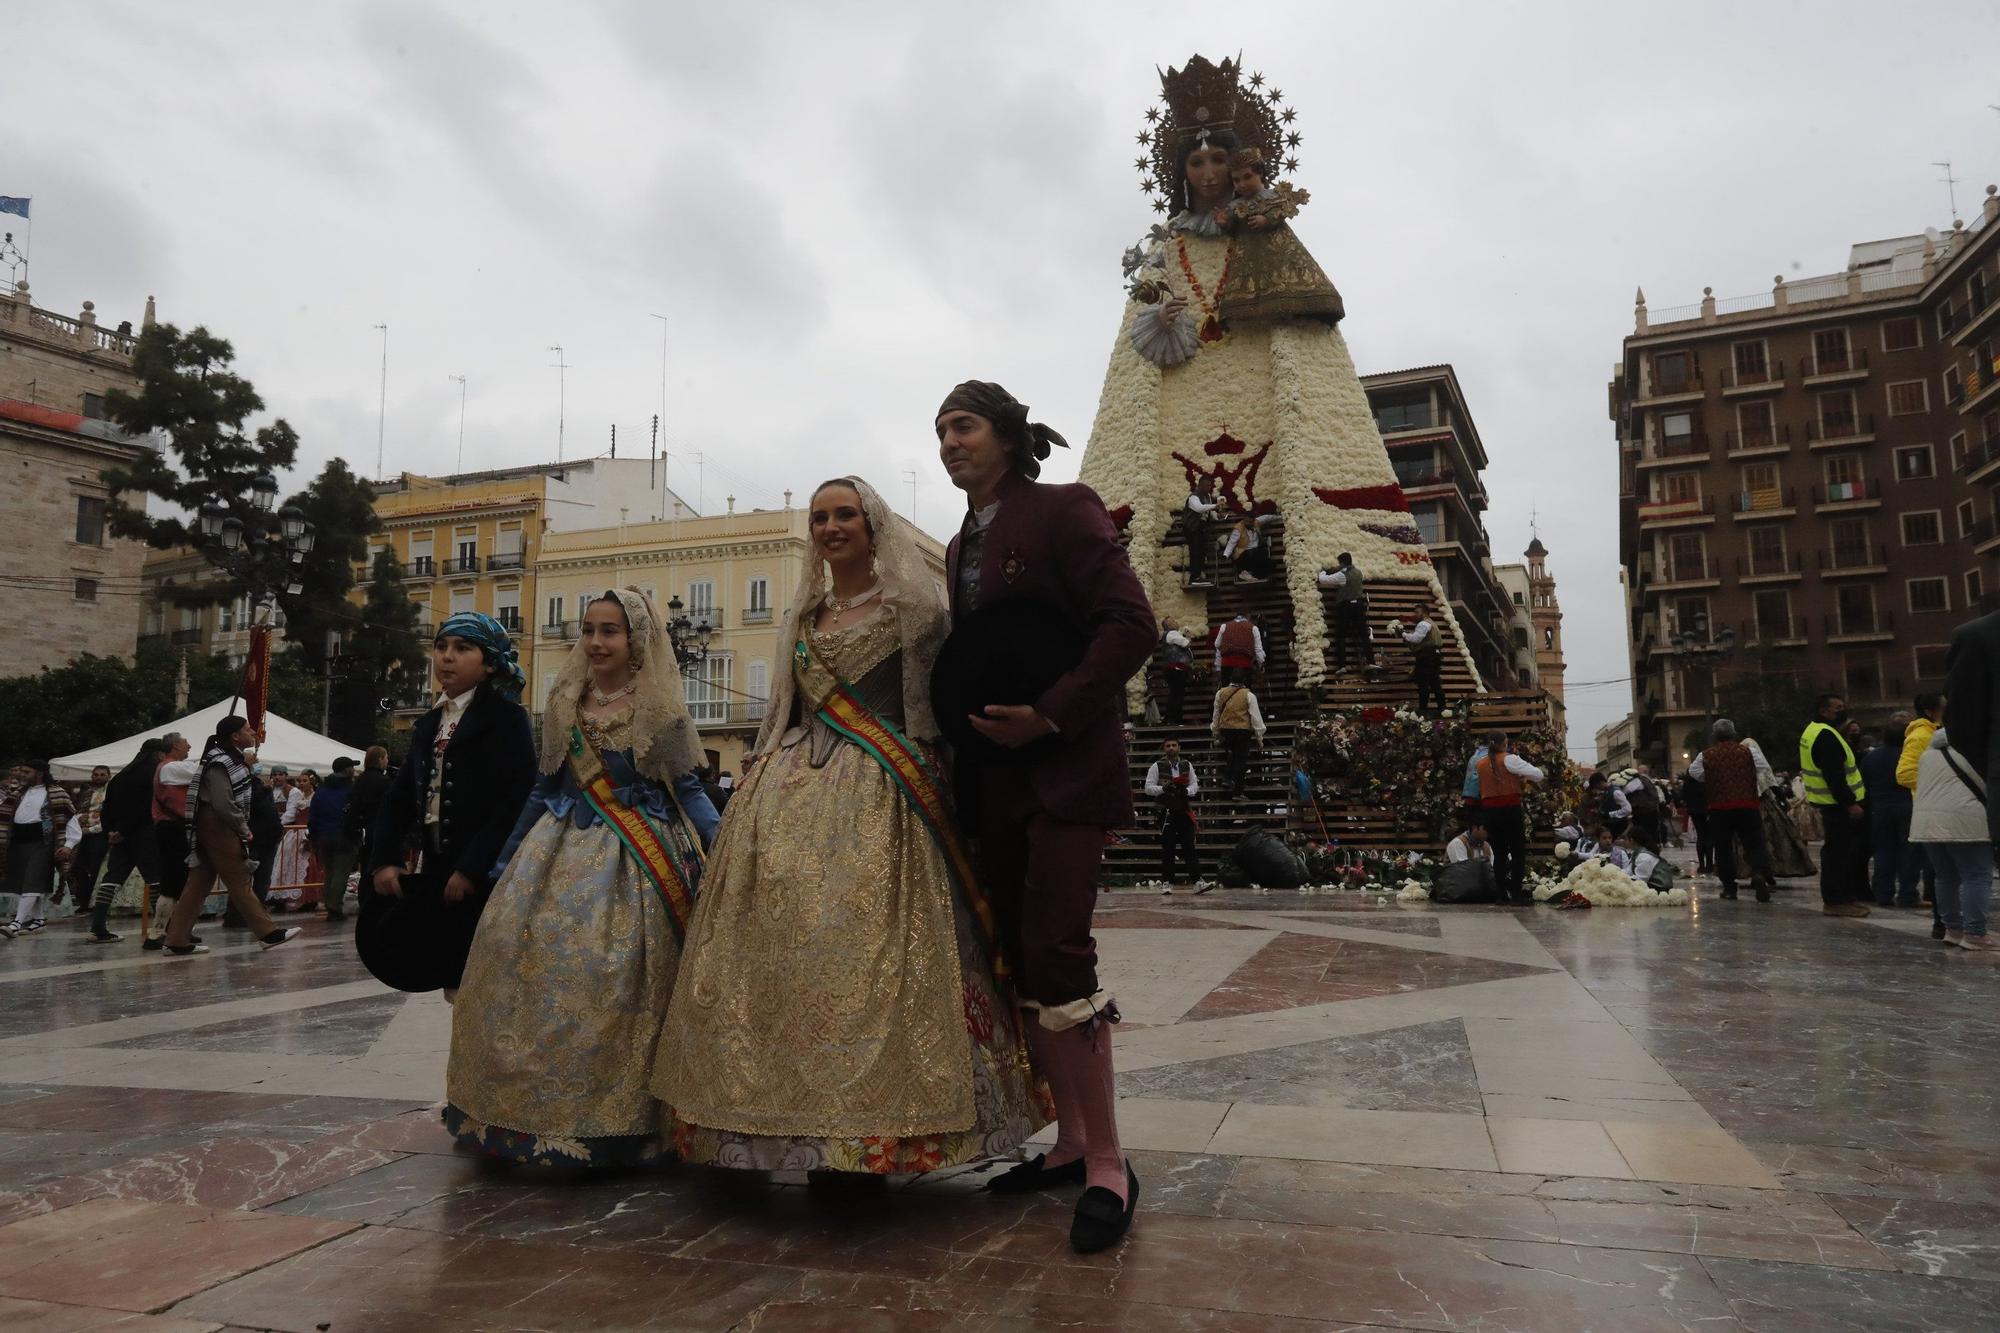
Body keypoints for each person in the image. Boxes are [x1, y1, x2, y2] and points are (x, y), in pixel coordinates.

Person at [656, 477, 1047, 1188]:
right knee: (779, 962)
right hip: (787, 800)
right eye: (820, 517)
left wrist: (945, 789)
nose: (831, 526)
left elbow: (934, 710)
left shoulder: (916, 611)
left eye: (845, 515)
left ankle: (864, 1143)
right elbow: (785, 713)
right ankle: (759, 1123)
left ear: (873, 526)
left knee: (869, 960)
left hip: (885, 796)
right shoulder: (803, 615)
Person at [932, 381, 1155, 1253]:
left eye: (964, 425)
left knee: (1062, 953)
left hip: (1066, 771)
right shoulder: (957, 547)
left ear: (1009, 435)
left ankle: (1108, 1161)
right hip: (995, 781)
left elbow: (1130, 623)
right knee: (1024, 961)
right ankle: (1065, 1142)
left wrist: (1053, 712)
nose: (949, 441)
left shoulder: (1065, 508)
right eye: (940, 429)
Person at [451, 588, 719, 1165]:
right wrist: (504, 863)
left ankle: (626, 1118)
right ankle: (531, 1111)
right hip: (558, 846)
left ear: (636, 640)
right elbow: (546, 787)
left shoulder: (660, 709)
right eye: (590, 630)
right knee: (528, 965)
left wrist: (724, 849)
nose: (596, 642)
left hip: (640, 858)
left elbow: (688, 790)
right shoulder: (564, 701)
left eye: (610, 631)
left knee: (618, 975)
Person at [363, 614, 537, 992]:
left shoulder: (508, 720)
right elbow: (401, 797)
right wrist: (385, 858)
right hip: (440, 871)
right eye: (441, 647)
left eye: (462, 648)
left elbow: (515, 800)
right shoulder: (429, 724)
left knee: (487, 980)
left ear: (489, 662)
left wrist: (473, 868)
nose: (446, 657)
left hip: (490, 875)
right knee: (452, 979)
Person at [160, 718, 301, 955]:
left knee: (198, 884)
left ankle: (176, 939)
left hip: (213, 823)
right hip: (218, 824)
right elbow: (222, 802)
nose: (253, 732)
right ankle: (267, 932)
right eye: (247, 729)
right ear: (235, 736)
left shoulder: (227, 759)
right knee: (239, 878)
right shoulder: (221, 762)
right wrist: (241, 826)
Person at [1910, 726, 1993, 951]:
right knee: (1976, 875)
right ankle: (1975, 933)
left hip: (1927, 822)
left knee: (1945, 876)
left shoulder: (1929, 753)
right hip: (1965, 820)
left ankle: (1953, 930)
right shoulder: (1979, 751)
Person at [86, 739, 170, 945]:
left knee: (112, 878)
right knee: (155, 879)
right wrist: (124, 830)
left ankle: (98, 927)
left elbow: (107, 808)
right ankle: (161, 930)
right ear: (158, 754)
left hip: (119, 836)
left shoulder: (120, 777)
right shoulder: (154, 774)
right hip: (144, 833)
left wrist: (112, 831)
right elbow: (143, 807)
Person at [1688, 720, 1776, 902]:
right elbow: (1763, 768)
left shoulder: (1706, 755)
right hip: (1747, 804)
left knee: (1723, 847)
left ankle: (1729, 887)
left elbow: (1694, 772)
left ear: (1714, 735)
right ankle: (1759, 873)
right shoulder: (1748, 751)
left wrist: (1712, 777)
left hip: (1719, 808)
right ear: (1734, 734)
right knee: (1755, 843)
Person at [1801, 692, 1872, 917]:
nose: (1843, 710)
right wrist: (1850, 803)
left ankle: (1842, 897)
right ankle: (1835, 900)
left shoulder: (1815, 731)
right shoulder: (1825, 735)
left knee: (1839, 852)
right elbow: (1834, 775)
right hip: (1837, 805)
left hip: (1830, 803)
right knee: (1838, 854)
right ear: (1824, 711)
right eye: (1838, 707)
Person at [0, 761, 75, 937]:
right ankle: (38, 920)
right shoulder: (17, 793)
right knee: (23, 884)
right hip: (18, 843)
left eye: (27, 771)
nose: (22, 774)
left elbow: (71, 819)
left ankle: (16, 924)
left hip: (43, 843)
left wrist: (68, 845)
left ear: (39, 773)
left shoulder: (57, 793)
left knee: (32, 881)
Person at [1472, 730, 1544, 905]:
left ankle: (1501, 894)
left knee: (1500, 853)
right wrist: (1520, 775)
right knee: (1518, 852)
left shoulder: (1480, 763)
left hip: (1490, 812)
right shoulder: (1509, 759)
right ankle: (1516, 894)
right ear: (1504, 743)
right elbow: (1538, 774)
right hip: (1509, 809)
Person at [143, 733, 194, 951]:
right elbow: (201, 773)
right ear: (175, 746)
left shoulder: (171, 767)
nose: (189, 745)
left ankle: (175, 930)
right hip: (172, 827)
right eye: (185, 743)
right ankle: (157, 932)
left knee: (177, 881)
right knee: (172, 881)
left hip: (174, 827)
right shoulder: (169, 768)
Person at [1861, 721, 1921, 908]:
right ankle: (1908, 893)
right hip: (1908, 807)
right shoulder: (1909, 756)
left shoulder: (1871, 757)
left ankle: (1883, 892)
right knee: (1909, 853)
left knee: (1883, 851)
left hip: (1880, 809)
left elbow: (1865, 783)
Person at [1143, 738, 1202, 885]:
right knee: (1168, 847)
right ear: (1164, 749)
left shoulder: (1186, 765)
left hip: (1183, 809)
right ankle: (1167, 882)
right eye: (1168, 746)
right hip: (1166, 810)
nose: (1171, 748)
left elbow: (1195, 784)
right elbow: (1148, 788)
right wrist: (1163, 789)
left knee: (1189, 845)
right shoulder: (1157, 766)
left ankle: (1197, 880)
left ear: (1179, 748)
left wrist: (1187, 791)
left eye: (1174, 745)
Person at [309, 757, 359, 922]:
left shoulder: (321, 790)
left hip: (323, 836)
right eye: (352, 767)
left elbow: (313, 816)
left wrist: (314, 836)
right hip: (344, 836)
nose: (354, 770)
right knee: (340, 873)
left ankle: (329, 903)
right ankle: (334, 906)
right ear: (346, 770)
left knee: (329, 873)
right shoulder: (351, 790)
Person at [1211, 670, 1267, 796]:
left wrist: (1215, 731)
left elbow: (1216, 714)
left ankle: (1227, 779)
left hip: (1225, 729)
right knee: (1240, 759)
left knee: (1231, 755)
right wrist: (1259, 737)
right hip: (1242, 730)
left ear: (1230, 679)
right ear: (1244, 681)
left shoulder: (1220, 693)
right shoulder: (1249, 695)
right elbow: (1255, 717)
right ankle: (1237, 790)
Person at [67, 766, 112, 912]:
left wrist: (92, 829)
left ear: (108, 776)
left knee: (95, 868)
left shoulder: (111, 792)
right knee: (77, 867)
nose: (98, 777)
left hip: (100, 834)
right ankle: (84, 900)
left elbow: (108, 815)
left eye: (102, 775)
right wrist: (80, 821)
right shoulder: (86, 792)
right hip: (82, 835)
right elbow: (79, 810)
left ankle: (92, 904)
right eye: (96, 775)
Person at [344, 746, 392, 873]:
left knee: (365, 869)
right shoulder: (384, 781)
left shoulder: (360, 779)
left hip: (361, 830)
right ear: (380, 759)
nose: (388, 761)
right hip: (377, 830)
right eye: (386, 757)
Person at [1323, 552, 1372, 673]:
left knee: (1341, 636)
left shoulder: (1342, 575)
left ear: (1342, 562)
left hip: (1345, 607)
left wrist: (1323, 571)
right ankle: (1371, 662)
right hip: (1359, 606)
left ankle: (1342, 666)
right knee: (1363, 635)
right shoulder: (1359, 572)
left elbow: (1324, 580)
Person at [1403, 614, 1445, 714]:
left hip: (1426, 657)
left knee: (1423, 684)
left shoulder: (1423, 623)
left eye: (1417, 612)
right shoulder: (1433, 624)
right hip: (1435, 657)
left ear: (1424, 613)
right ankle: (1442, 707)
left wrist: (1404, 634)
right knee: (1435, 683)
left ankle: (1423, 709)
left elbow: (1416, 639)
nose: (1415, 614)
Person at [1182, 474, 1218, 586]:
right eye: (1206, 485)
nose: (1208, 488)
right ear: (1200, 485)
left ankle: (1197, 577)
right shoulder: (1194, 497)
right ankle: (1193, 578)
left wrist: (1219, 515)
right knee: (1195, 551)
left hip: (1202, 528)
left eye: (1210, 486)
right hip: (1192, 528)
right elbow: (1199, 508)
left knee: (1202, 552)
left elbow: (1210, 514)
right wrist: (1215, 506)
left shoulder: (1208, 497)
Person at [1158, 617, 1194, 725]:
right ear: (1168, 625)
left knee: (1175, 694)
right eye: (1173, 621)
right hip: (1176, 668)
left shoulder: (1170, 634)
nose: (1176, 621)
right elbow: (1186, 644)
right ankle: (1175, 719)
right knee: (1177, 694)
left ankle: (1171, 719)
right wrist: (1188, 636)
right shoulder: (1172, 633)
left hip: (1173, 668)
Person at [1624, 763, 1666, 850]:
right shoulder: (1648, 780)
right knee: (1651, 831)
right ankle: (1652, 848)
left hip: (1642, 810)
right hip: (1651, 809)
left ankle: (1644, 848)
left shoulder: (1639, 780)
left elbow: (1627, 790)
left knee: (1642, 831)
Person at [1222, 516, 1275, 583]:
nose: (1247, 523)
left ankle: (1252, 575)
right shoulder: (1238, 529)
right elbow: (1231, 543)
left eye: (1250, 522)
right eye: (1246, 521)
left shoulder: (1257, 522)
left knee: (1271, 563)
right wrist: (1225, 555)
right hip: (1243, 554)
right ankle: (1248, 574)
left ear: (1253, 521)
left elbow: (1268, 517)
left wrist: (1279, 517)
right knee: (1254, 554)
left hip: (1257, 552)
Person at [1679, 768, 1711, 876]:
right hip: (1707, 811)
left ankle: (1702, 864)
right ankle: (1710, 864)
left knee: (1700, 836)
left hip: (1694, 812)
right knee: (1708, 837)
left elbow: (1682, 798)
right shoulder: (1705, 782)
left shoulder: (1687, 784)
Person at [1213, 612, 1264, 681]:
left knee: (1227, 690)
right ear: (1248, 617)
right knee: (1245, 690)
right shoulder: (1253, 628)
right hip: (1245, 665)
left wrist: (1218, 668)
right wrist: (1261, 665)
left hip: (1227, 665)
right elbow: (1258, 650)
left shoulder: (1224, 626)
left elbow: (1217, 645)